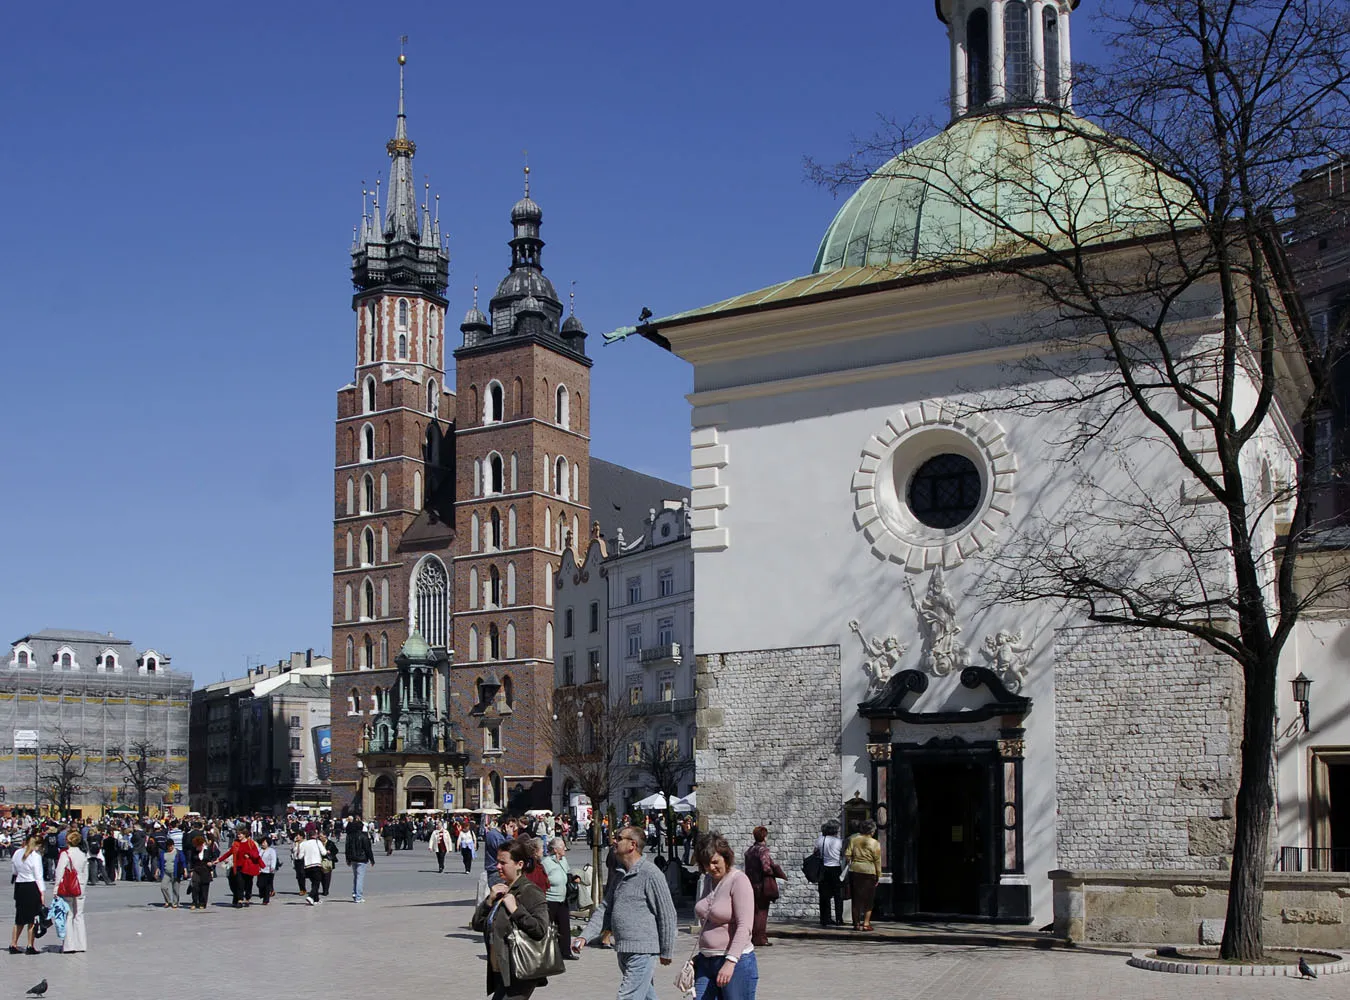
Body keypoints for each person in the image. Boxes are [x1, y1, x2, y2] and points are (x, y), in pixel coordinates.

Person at [573, 826, 677, 1000]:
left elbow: (667, 914)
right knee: (646, 996)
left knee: (627, 996)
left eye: (619, 838)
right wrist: (585, 936)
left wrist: (667, 950)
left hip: (643, 951)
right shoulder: (620, 875)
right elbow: (605, 909)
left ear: (632, 845)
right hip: (623, 949)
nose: (614, 841)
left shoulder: (651, 874)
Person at [471, 838, 554, 1000]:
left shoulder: (530, 892)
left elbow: (540, 930)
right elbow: (477, 924)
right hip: (503, 970)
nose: (498, 867)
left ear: (519, 864)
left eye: (503, 863)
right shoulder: (501, 891)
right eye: (497, 862)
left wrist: (516, 909)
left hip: (522, 969)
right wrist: (488, 902)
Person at [692, 832, 758, 999]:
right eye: (706, 864)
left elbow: (745, 926)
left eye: (715, 862)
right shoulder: (708, 880)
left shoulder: (739, 880)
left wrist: (730, 962)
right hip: (706, 960)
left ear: (726, 857)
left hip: (736, 961)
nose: (711, 868)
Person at [743, 827, 786, 947]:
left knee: (753, 912)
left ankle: (751, 937)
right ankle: (760, 938)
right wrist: (775, 872)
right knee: (762, 912)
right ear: (764, 837)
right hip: (762, 885)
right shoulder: (763, 850)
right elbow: (766, 867)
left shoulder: (750, 850)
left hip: (751, 884)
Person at [844, 820, 882, 932]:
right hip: (869, 871)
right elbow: (877, 860)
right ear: (872, 830)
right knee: (869, 899)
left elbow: (847, 855)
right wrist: (878, 875)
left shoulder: (854, 840)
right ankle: (866, 923)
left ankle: (856, 924)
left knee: (856, 898)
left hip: (855, 870)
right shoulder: (875, 843)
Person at [53, 829, 87, 953]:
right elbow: (85, 872)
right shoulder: (83, 854)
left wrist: (56, 888)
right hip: (80, 886)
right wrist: (83, 884)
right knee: (79, 915)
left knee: (68, 914)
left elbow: (59, 872)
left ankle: (69, 945)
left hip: (68, 887)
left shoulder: (65, 854)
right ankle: (81, 944)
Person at [10, 834, 44, 955]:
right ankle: (30, 945)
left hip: (19, 886)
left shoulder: (17, 853)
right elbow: (38, 876)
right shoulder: (35, 856)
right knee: (32, 918)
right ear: (37, 845)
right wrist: (42, 892)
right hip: (31, 885)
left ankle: (13, 944)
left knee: (19, 917)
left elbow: (14, 870)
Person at [215, 827, 263, 907]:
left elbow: (256, 854)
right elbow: (229, 853)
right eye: (238, 834)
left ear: (244, 834)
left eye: (240, 834)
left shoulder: (250, 843)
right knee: (239, 883)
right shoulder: (236, 843)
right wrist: (219, 860)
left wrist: (249, 855)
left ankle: (247, 898)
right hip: (238, 866)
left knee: (248, 884)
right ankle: (240, 900)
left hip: (248, 867)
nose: (238, 836)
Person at [542, 837, 571, 955]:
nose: (565, 848)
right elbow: (543, 880)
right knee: (547, 927)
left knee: (564, 926)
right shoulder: (546, 862)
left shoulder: (563, 860)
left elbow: (567, 872)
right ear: (555, 849)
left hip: (562, 898)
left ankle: (565, 951)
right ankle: (545, 952)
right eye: (562, 846)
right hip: (550, 899)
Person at [815, 820, 844, 928]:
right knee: (838, 895)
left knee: (824, 895)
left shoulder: (821, 840)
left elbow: (816, 853)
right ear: (835, 830)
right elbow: (842, 854)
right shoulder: (839, 841)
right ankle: (839, 918)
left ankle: (825, 918)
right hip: (835, 868)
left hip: (824, 869)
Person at [344, 817, 375, 903]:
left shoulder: (350, 836)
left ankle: (355, 893)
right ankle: (358, 896)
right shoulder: (364, 836)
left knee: (356, 877)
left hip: (353, 858)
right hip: (362, 859)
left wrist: (348, 859)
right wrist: (372, 859)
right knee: (360, 877)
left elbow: (347, 848)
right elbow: (368, 849)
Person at [297, 829, 326, 905]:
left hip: (307, 866)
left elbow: (300, 857)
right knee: (317, 882)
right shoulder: (317, 842)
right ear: (315, 835)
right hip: (316, 865)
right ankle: (310, 896)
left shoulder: (303, 844)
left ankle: (316, 899)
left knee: (314, 882)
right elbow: (324, 852)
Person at [188, 834, 214, 911]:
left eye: (198, 846)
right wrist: (191, 870)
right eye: (196, 846)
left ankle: (202, 903)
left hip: (206, 870)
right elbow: (191, 861)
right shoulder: (193, 851)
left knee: (204, 887)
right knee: (195, 886)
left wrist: (211, 864)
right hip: (196, 869)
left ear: (202, 844)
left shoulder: (208, 850)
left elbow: (213, 857)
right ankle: (194, 902)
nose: (197, 848)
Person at [160, 837, 187, 909]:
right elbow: (161, 863)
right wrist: (157, 870)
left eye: (171, 845)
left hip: (176, 872)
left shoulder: (178, 852)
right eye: (169, 846)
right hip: (166, 872)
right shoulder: (163, 853)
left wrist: (185, 870)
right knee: (163, 887)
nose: (170, 847)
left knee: (175, 889)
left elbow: (183, 861)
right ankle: (168, 901)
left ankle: (175, 902)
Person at [257, 837, 278, 905]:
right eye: (262, 842)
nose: (263, 844)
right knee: (259, 884)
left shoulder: (271, 850)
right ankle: (262, 894)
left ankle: (266, 900)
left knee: (267, 885)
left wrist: (272, 867)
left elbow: (273, 859)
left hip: (268, 870)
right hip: (260, 870)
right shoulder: (259, 850)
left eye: (264, 842)